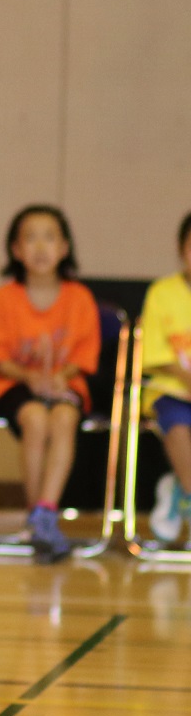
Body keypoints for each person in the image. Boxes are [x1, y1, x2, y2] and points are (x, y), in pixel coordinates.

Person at [0, 205, 100, 564]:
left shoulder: (79, 298)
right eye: (30, 238)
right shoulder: (5, 299)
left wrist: (60, 377)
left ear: (64, 247)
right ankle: (37, 513)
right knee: (35, 418)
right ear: (16, 250)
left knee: (63, 419)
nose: (40, 247)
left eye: (50, 237)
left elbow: (84, 355)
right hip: (14, 384)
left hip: (63, 384)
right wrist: (29, 376)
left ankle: (44, 512)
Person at [140, 211, 191, 543]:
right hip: (171, 390)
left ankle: (178, 492)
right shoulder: (162, 292)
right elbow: (152, 357)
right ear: (180, 248)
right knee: (178, 426)